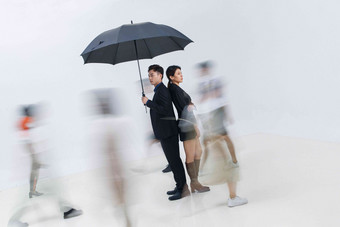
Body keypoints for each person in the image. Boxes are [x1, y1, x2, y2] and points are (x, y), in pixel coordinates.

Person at [195, 61, 247, 207]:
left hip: (210, 131)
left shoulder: (203, 92)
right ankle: (233, 197)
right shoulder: (214, 91)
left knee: (224, 161)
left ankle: (230, 193)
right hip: (216, 131)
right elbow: (223, 110)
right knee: (229, 163)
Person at [141, 64, 189, 201]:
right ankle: (179, 186)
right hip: (165, 133)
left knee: (175, 161)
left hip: (168, 132)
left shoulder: (162, 90)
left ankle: (183, 189)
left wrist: (148, 102)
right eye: (149, 75)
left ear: (160, 75)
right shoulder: (159, 90)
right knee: (172, 161)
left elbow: (164, 109)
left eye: (152, 74)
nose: (150, 77)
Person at [166, 65, 210, 193]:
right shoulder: (174, 89)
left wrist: (190, 105)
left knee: (198, 152)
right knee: (190, 155)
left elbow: (186, 106)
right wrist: (195, 125)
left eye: (181, 73)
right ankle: (195, 183)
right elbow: (185, 110)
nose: (181, 75)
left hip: (189, 124)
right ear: (171, 77)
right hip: (187, 125)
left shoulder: (177, 88)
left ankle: (195, 182)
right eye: (178, 73)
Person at [18, 105, 43, 199]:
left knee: (35, 169)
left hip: (29, 147)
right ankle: (32, 191)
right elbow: (30, 135)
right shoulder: (27, 120)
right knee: (35, 169)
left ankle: (32, 190)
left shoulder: (23, 121)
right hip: (30, 147)